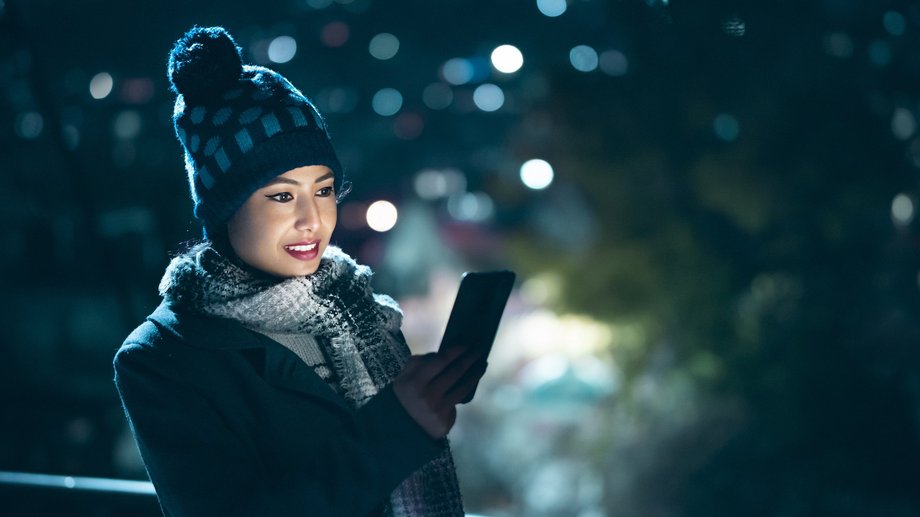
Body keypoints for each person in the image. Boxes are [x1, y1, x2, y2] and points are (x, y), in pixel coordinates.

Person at [113, 26, 486, 517]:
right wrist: (398, 427)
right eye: (282, 196)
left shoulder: (359, 308)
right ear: (224, 207)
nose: (313, 220)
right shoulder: (163, 358)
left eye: (324, 190)